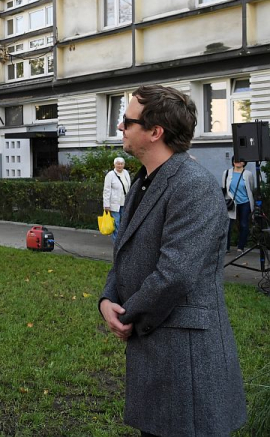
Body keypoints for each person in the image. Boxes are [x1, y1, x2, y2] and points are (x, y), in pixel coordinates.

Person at [98, 85, 246, 436]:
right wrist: (107, 300)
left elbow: (175, 274)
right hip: (158, 354)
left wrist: (128, 315)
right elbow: (126, 253)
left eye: (127, 120)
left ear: (154, 131)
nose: (120, 127)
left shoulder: (192, 185)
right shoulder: (143, 183)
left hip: (187, 361)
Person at [223, 156, 255, 253]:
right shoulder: (227, 173)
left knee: (244, 225)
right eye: (235, 160)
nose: (237, 162)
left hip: (245, 202)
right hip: (231, 203)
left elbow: (251, 187)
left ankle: (240, 247)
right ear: (232, 162)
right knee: (228, 226)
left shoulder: (248, 174)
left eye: (240, 160)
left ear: (244, 163)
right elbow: (224, 188)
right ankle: (226, 248)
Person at [102, 157, 131, 242]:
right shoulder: (110, 175)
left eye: (121, 164)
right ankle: (116, 242)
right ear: (114, 165)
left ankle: (122, 241)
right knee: (116, 223)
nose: (120, 165)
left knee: (123, 223)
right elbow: (106, 190)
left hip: (125, 203)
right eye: (118, 164)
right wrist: (106, 205)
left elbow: (129, 187)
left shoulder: (126, 173)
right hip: (114, 204)